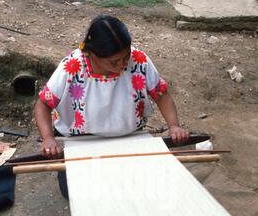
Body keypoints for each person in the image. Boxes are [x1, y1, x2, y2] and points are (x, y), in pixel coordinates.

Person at [34, 15, 189, 157]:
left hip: (130, 138)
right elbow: (43, 105)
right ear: (92, 53)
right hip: (79, 142)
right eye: (114, 62)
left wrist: (174, 126)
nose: (123, 64)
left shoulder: (139, 60)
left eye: (126, 56)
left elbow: (161, 95)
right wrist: (48, 138)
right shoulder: (72, 67)